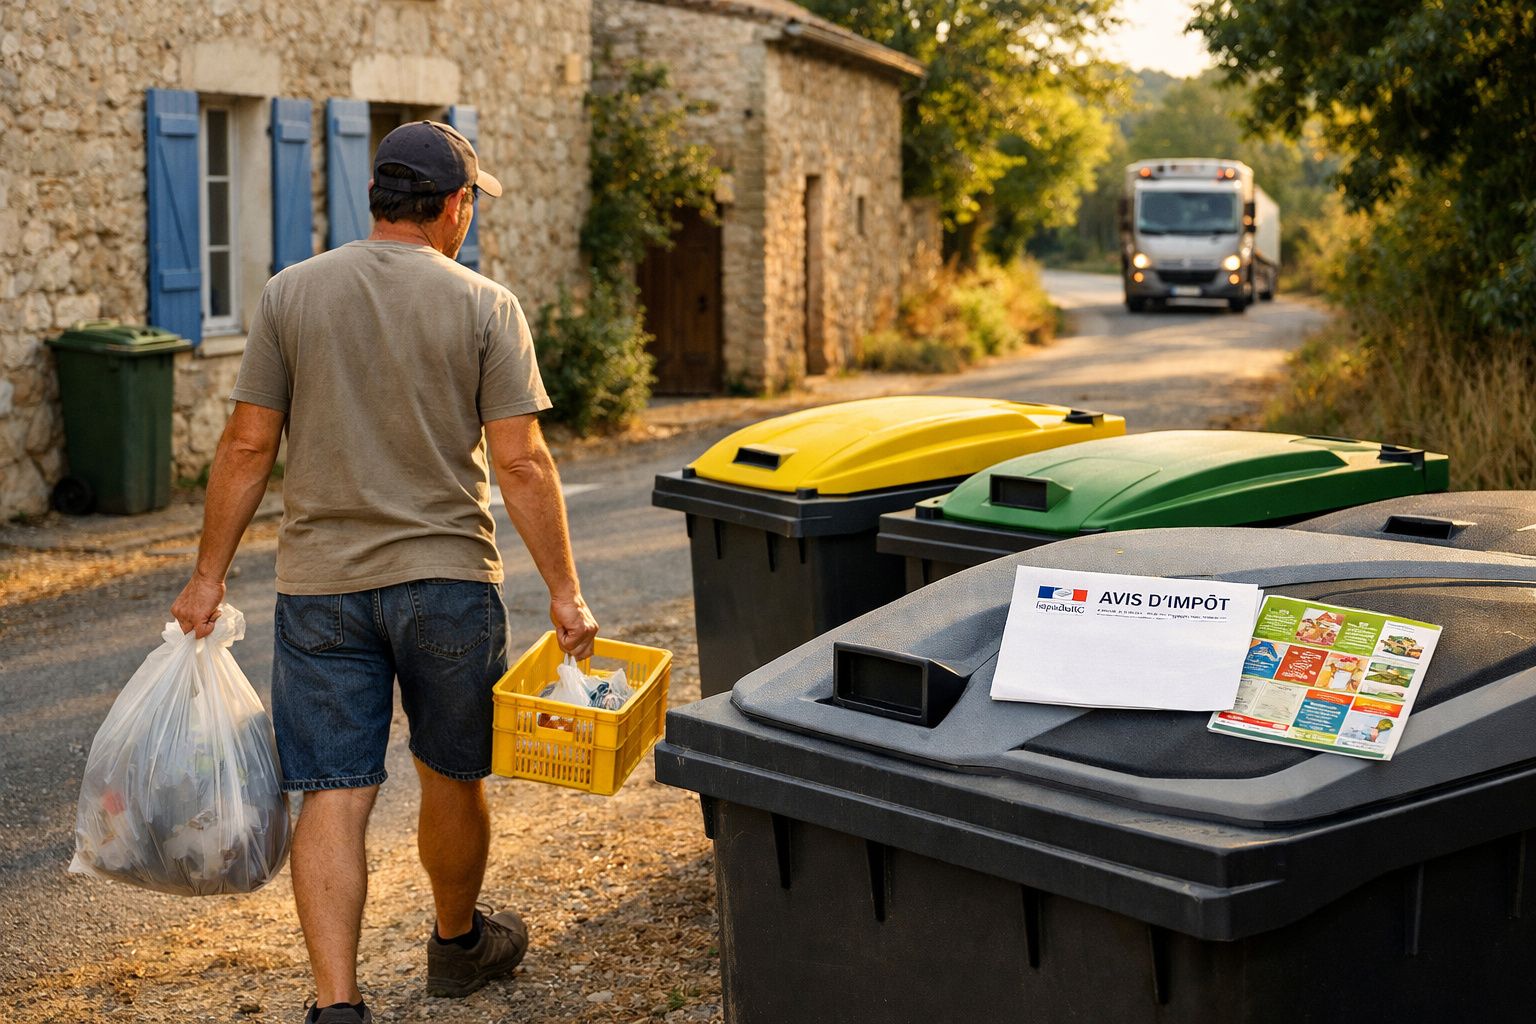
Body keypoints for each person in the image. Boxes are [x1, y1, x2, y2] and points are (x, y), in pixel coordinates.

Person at [171, 120, 599, 1024]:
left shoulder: (291, 295)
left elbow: (248, 445)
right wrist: (565, 591)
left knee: (332, 787)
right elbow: (521, 463)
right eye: (469, 205)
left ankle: (338, 1006)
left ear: (379, 200)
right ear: (455, 207)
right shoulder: (486, 306)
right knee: (451, 771)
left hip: (320, 588)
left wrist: (208, 577)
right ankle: (455, 947)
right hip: (448, 582)